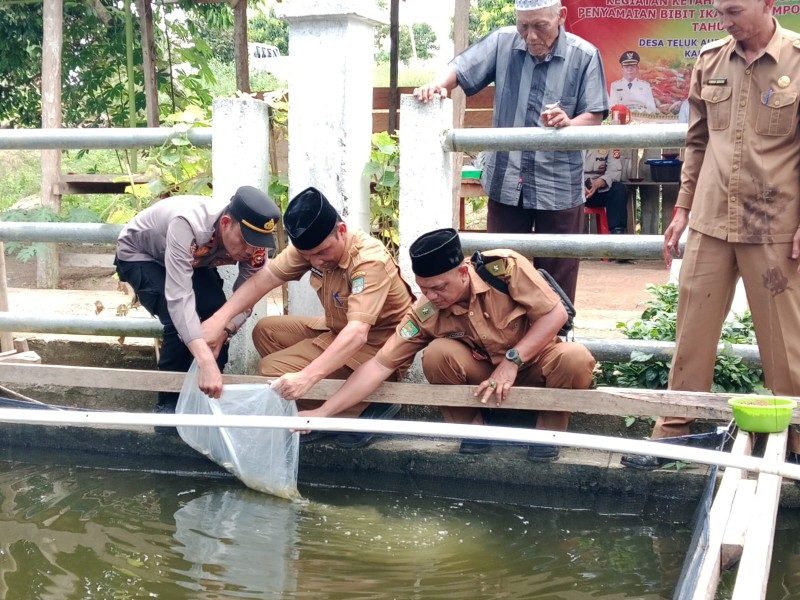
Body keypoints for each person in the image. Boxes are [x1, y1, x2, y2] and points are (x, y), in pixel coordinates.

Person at [622, 0, 800, 469]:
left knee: (786, 343)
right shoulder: (710, 60)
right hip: (710, 219)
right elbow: (696, 141)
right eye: (721, 12)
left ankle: (797, 444)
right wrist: (682, 208)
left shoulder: (797, 60)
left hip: (774, 224)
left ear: (767, 4)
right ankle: (675, 433)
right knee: (692, 334)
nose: (725, 22)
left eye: (734, 11)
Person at [298, 228, 597, 461]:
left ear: (463, 272)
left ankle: (548, 435)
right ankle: (473, 432)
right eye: (424, 288)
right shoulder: (425, 311)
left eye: (439, 287)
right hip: (484, 380)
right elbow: (378, 365)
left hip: (535, 363)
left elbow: (555, 314)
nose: (432, 296)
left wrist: (512, 361)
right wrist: (324, 412)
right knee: (437, 354)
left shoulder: (505, 268)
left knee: (575, 358)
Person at [413, 0, 608, 303]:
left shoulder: (584, 55)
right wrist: (437, 85)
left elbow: (594, 115)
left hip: (558, 183)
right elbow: (461, 68)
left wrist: (569, 123)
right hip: (507, 180)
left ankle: (557, 331)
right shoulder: (502, 41)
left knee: (558, 273)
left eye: (540, 26)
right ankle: (500, 330)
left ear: (561, 16)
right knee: (497, 270)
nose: (531, 36)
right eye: (523, 26)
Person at [202, 186, 415, 448]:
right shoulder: (313, 248)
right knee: (265, 331)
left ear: (341, 230)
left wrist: (306, 377)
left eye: (322, 252)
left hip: (377, 350)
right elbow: (265, 279)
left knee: (271, 370)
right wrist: (218, 321)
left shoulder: (369, 262)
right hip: (337, 331)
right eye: (308, 256)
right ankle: (328, 405)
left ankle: (358, 408)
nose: (316, 262)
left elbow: (357, 333)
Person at [115, 186, 282, 414]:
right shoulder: (187, 224)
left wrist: (225, 330)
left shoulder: (255, 247)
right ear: (225, 223)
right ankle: (169, 406)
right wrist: (205, 360)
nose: (251, 251)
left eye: (258, 242)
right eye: (245, 241)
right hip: (143, 255)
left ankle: (210, 396)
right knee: (178, 321)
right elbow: (179, 298)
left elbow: (247, 295)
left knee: (215, 313)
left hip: (193, 261)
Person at [583, 148, 629, 235]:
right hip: (571, 190)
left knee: (618, 189)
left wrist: (597, 183)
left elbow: (614, 171)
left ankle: (617, 234)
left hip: (597, 189)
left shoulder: (610, 143)